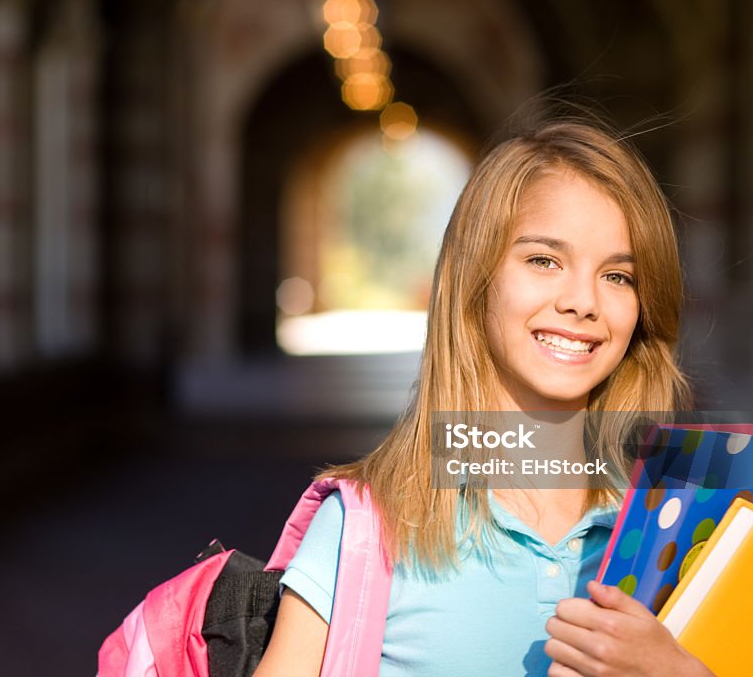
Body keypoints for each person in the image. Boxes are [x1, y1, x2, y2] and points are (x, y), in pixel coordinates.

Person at [254, 118, 714, 676]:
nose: (583, 301)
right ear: (477, 280)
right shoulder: (363, 529)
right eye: (544, 260)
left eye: (619, 276)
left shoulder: (690, 529)